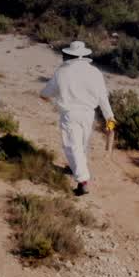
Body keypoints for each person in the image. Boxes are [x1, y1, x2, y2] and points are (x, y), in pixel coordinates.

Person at [40, 40, 114, 196]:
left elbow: (46, 93)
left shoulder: (62, 72)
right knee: (82, 144)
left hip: (70, 114)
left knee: (72, 146)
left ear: (68, 55)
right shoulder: (95, 72)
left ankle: (83, 182)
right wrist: (109, 117)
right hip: (88, 114)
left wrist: (50, 98)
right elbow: (103, 98)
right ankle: (76, 167)